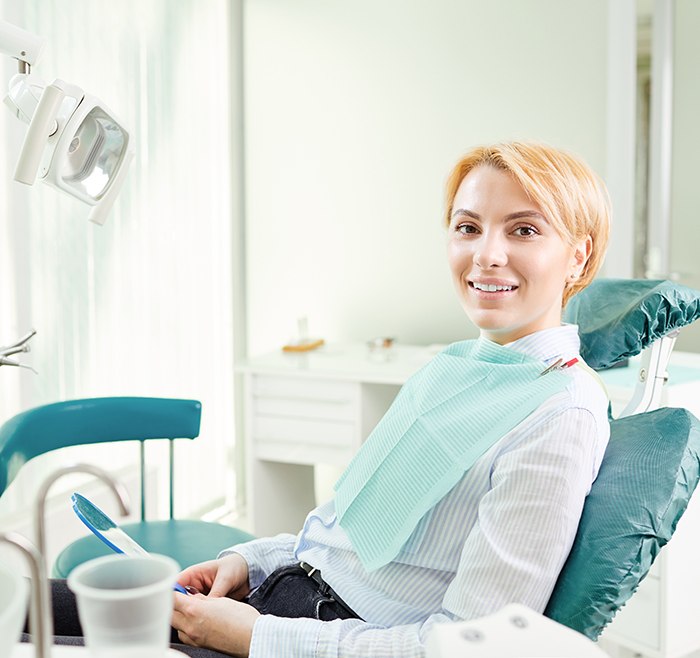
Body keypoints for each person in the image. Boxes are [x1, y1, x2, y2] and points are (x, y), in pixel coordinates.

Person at [44, 141, 611, 658]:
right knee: (29, 602)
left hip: (305, 639)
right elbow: (341, 532)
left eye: (524, 230)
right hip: (277, 597)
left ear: (579, 258)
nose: (486, 254)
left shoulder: (560, 414)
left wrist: (255, 637)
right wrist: (247, 562)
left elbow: (466, 648)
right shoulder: (456, 369)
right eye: (468, 227)